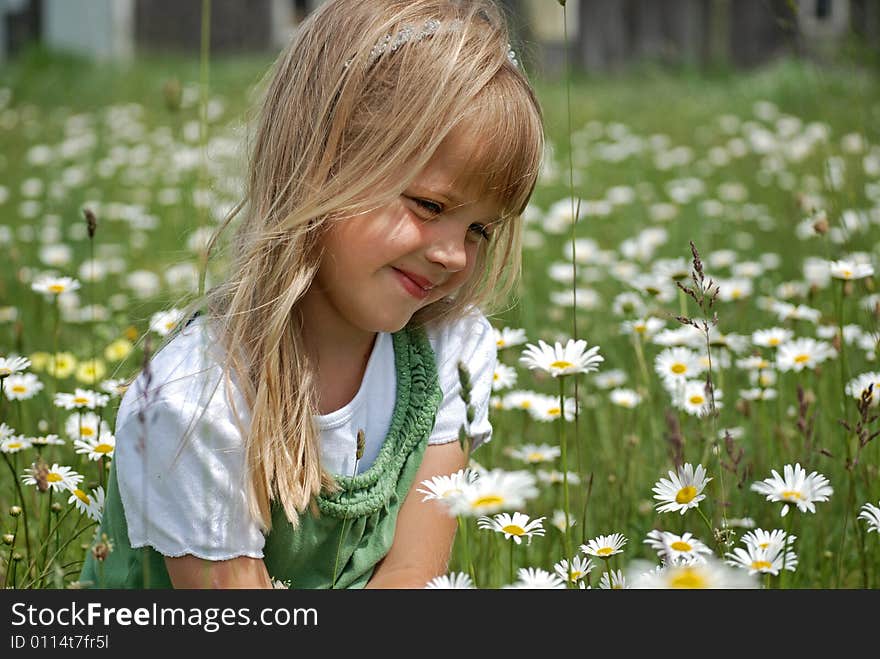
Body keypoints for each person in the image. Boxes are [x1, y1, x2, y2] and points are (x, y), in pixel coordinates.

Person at [80, 0, 544, 589]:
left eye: (479, 230)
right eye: (430, 205)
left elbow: (412, 572)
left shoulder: (445, 350)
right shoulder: (200, 401)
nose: (455, 255)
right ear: (318, 166)